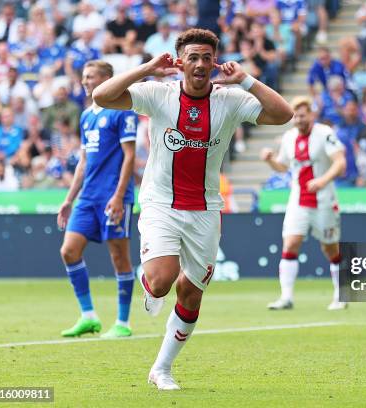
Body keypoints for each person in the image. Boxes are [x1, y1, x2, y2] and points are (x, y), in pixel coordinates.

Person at [91, 28, 293, 390]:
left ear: (214, 62)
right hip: (161, 204)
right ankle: (150, 286)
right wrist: (148, 67)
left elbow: (283, 114)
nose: (200, 65)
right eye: (193, 57)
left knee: (192, 293)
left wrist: (246, 79)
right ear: (180, 61)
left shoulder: (229, 99)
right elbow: (102, 96)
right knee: (161, 280)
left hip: (205, 210)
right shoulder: (158, 93)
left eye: (206, 58)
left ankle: (162, 369)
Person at [56, 60, 138, 340]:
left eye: (90, 77)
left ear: (106, 79)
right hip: (88, 197)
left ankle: (123, 322)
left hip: (113, 196)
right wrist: (69, 199)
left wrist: (118, 195)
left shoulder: (121, 111)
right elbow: (83, 161)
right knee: (69, 251)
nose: (85, 81)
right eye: (84, 77)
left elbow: (130, 156)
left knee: (119, 257)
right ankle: (88, 316)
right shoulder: (85, 116)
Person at [260, 97, 346, 311]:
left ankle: (340, 295)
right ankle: (286, 297)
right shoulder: (289, 138)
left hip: (324, 200)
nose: (299, 119)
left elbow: (340, 162)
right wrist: (270, 160)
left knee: (330, 248)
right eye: (296, 116)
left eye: (302, 115)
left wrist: (322, 180)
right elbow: (283, 167)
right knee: (290, 244)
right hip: (298, 200)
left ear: (312, 115)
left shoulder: (325, 133)